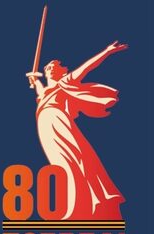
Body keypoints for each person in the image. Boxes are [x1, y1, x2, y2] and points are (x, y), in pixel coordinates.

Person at [25, 41, 129, 221]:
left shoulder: (65, 82)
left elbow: (86, 67)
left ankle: (87, 203)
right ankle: (71, 205)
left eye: (54, 66)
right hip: (46, 127)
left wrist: (106, 51)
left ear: (62, 71)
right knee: (59, 163)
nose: (50, 68)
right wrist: (35, 81)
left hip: (59, 122)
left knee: (75, 159)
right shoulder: (44, 92)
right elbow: (42, 93)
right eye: (48, 67)